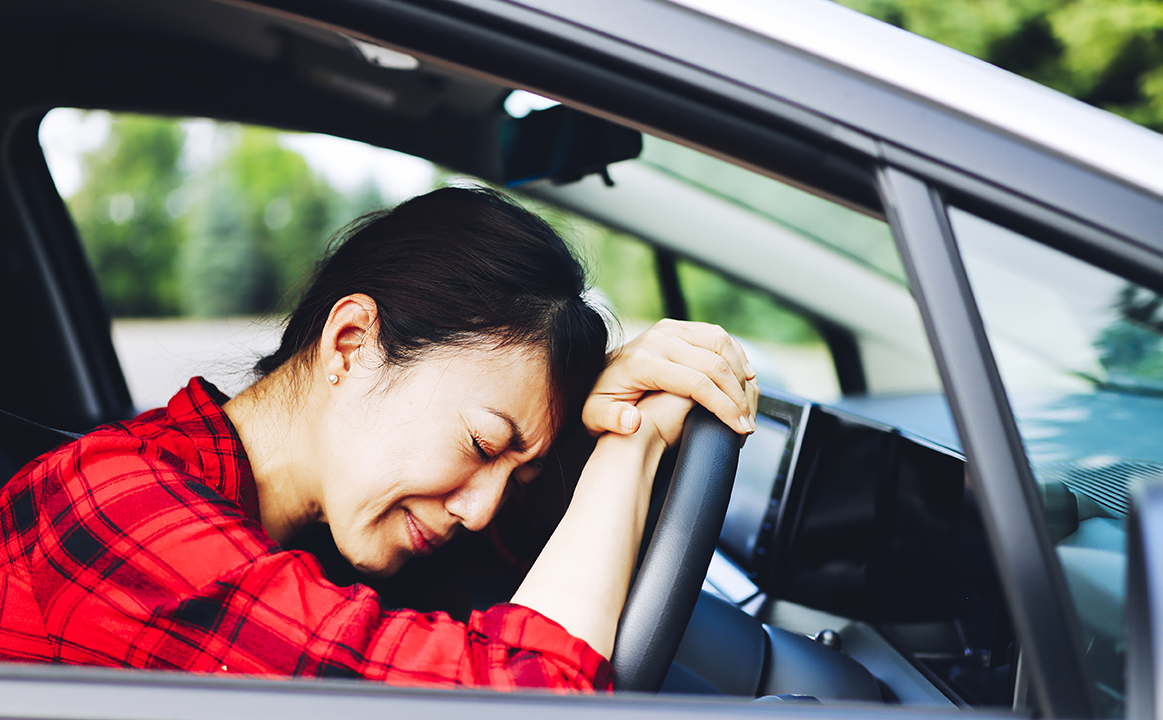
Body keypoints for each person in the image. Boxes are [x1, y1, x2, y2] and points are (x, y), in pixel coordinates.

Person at [0, 187, 758, 691]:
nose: (482, 510)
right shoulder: (107, 503)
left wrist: (604, 416)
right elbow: (526, 702)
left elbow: (535, 540)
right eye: (485, 446)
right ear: (352, 342)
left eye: (513, 476)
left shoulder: (327, 519)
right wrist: (634, 441)